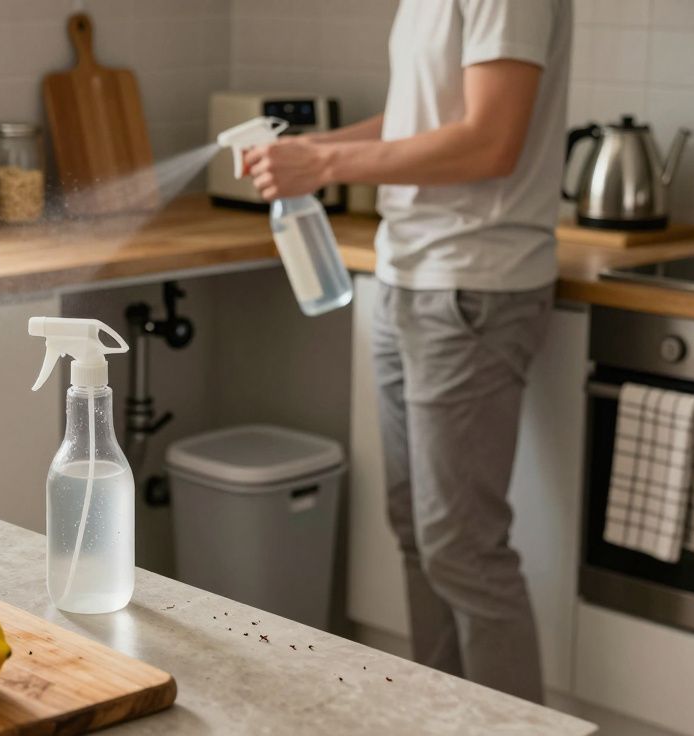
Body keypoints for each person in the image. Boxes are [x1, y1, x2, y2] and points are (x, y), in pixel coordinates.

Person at [243, 0, 572, 703]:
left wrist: (326, 160)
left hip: (471, 285)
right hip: (408, 275)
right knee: (419, 536)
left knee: (462, 550)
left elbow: (491, 141)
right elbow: (422, 122)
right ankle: (443, 716)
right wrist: (310, 153)